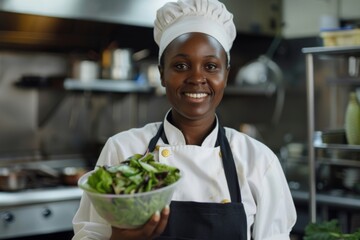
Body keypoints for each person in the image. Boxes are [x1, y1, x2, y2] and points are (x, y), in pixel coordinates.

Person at [72, 0, 297, 239]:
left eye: (211, 66)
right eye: (180, 65)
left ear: (226, 75)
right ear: (162, 74)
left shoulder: (258, 161)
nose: (197, 78)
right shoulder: (122, 150)